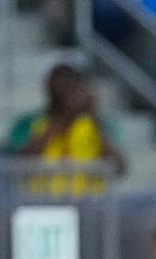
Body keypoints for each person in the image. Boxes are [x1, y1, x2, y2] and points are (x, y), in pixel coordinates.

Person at [7, 61, 127, 194]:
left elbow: (120, 168)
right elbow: (16, 164)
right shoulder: (30, 122)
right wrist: (60, 120)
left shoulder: (97, 125)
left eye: (71, 82)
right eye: (60, 82)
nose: (65, 89)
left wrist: (93, 119)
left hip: (89, 205)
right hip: (41, 203)